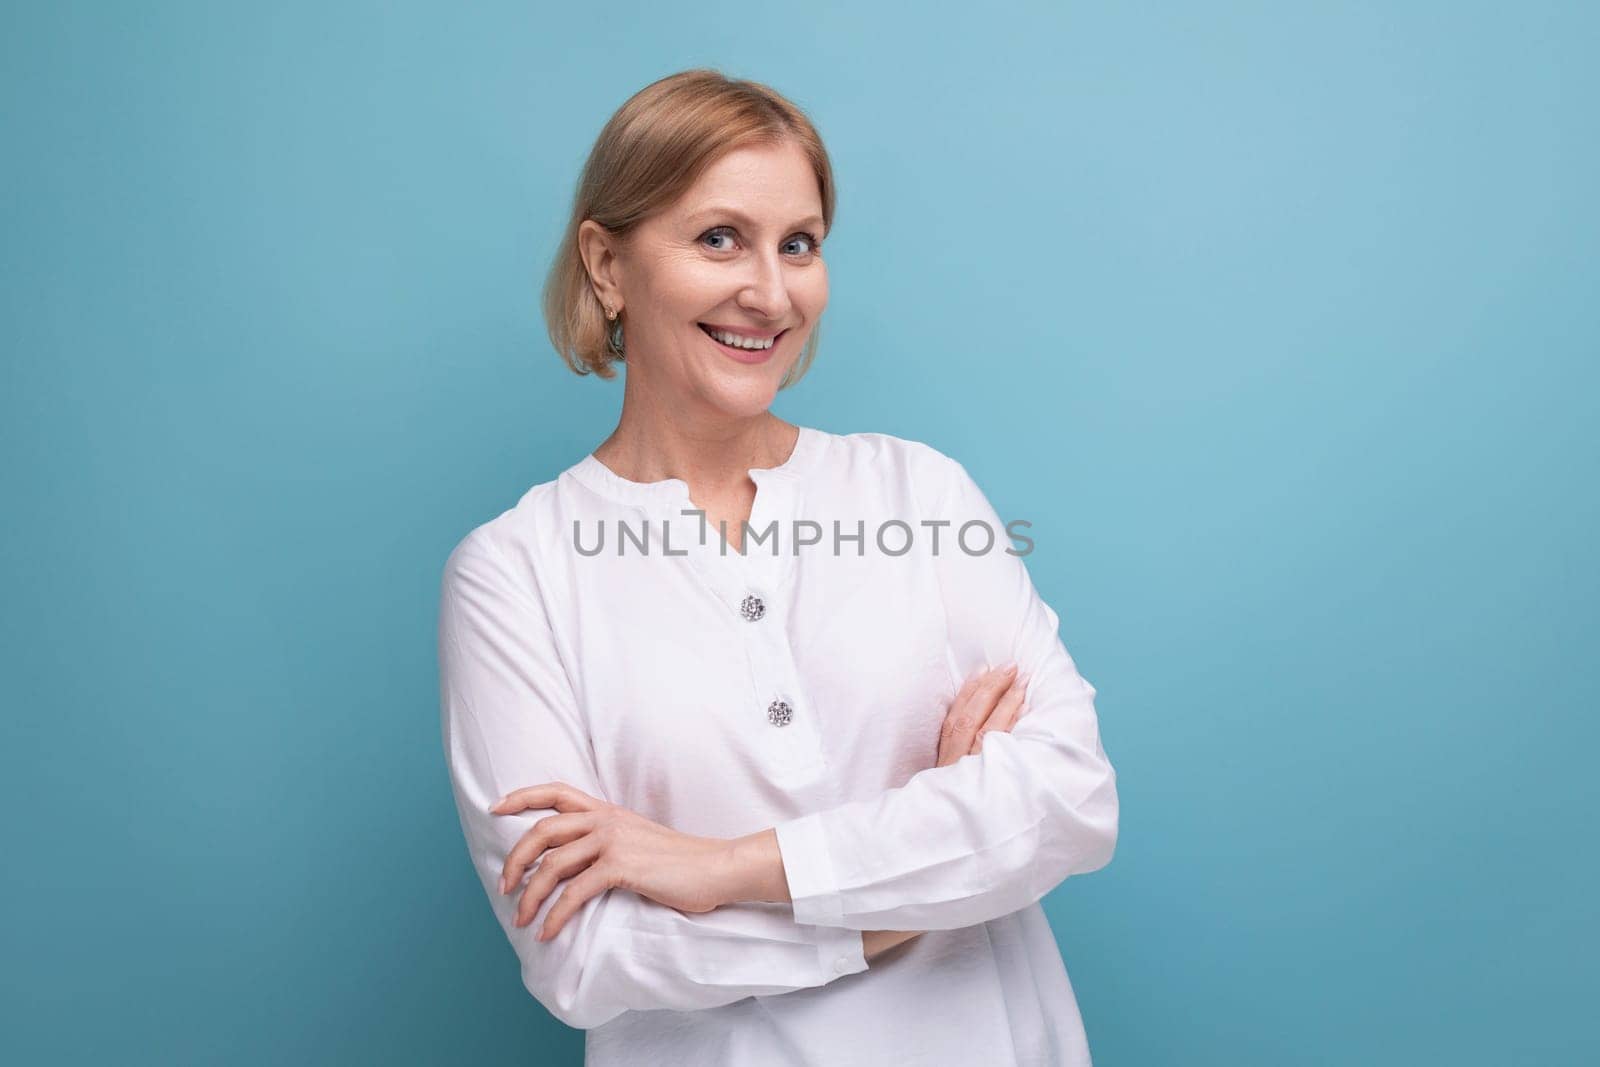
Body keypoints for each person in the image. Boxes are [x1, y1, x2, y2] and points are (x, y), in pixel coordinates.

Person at [437, 68, 1119, 1065]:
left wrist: (719, 866)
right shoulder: (514, 573)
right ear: (607, 263)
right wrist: (926, 874)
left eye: (798, 244)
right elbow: (582, 954)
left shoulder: (917, 494)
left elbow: (1067, 797)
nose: (770, 290)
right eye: (720, 238)